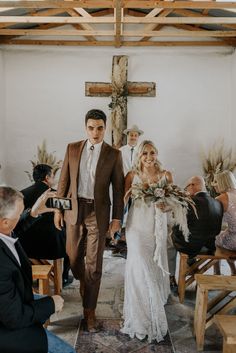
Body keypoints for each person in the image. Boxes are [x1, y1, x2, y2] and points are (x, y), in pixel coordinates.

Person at [54, 109, 124, 331]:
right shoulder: (72, 148)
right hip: (74, 210)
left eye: (100, 128)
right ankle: (84, 281)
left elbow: (119, 189)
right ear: (86, 127)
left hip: (98, 212)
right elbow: (63, 181)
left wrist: (116, 219)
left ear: (106, 128)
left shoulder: (114, 154)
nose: (96, 132)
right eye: (92, 127)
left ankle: (90, 312)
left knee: (94, 265)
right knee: (73, 257)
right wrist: (57, 210)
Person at [0, 186, 76, 353]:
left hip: (12, 299)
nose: (21, 216)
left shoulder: (4, 230)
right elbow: (14, 318)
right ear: (5, 222)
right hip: (6, 330)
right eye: (19, 214)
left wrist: (34, 211)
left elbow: (17, 227)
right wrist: (50, 304)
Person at [121, 140, 172, 343]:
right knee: (138, 265)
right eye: (145, 154)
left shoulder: (165, 175)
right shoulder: (131, 176)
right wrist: (115, 223)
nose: (149, 157)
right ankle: (142, 316)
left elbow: (171, 204)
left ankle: (151, 306)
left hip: (154, 227)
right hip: (136, 226)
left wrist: (164, 206)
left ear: (157, 153)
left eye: (152, 153)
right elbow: (123, 201)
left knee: (151, 266)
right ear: (139, 156)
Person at [20, 164, 72, 287]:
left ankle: (38, 276)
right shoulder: (56, 194)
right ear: (47, 177)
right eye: (53, 176)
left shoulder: (21, 194)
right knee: (70, 237)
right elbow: (70, 216)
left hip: (26, 246)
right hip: (54, 246)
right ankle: (64, 276)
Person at [171, 176, 223, 275]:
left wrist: (173, 232)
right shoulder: (218, 202)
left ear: (193, 185)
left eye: (187, 187)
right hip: (209, 246)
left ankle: (172, 277)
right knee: (193, 234)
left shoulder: (189, 202)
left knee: (170, 238)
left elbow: (179, 228)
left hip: (191, 247)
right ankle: (192, 267)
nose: (186, 190)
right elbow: (217, 228)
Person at [212, 171, 236, 274]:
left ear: (222, 182)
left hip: (234, 240)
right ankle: (233, 271)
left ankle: (216, 272)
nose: (213, 185)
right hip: (232, 235)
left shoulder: (220, 199)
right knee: (224, 235)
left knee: (213, 240)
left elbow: (214, 223)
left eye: (216, 181)